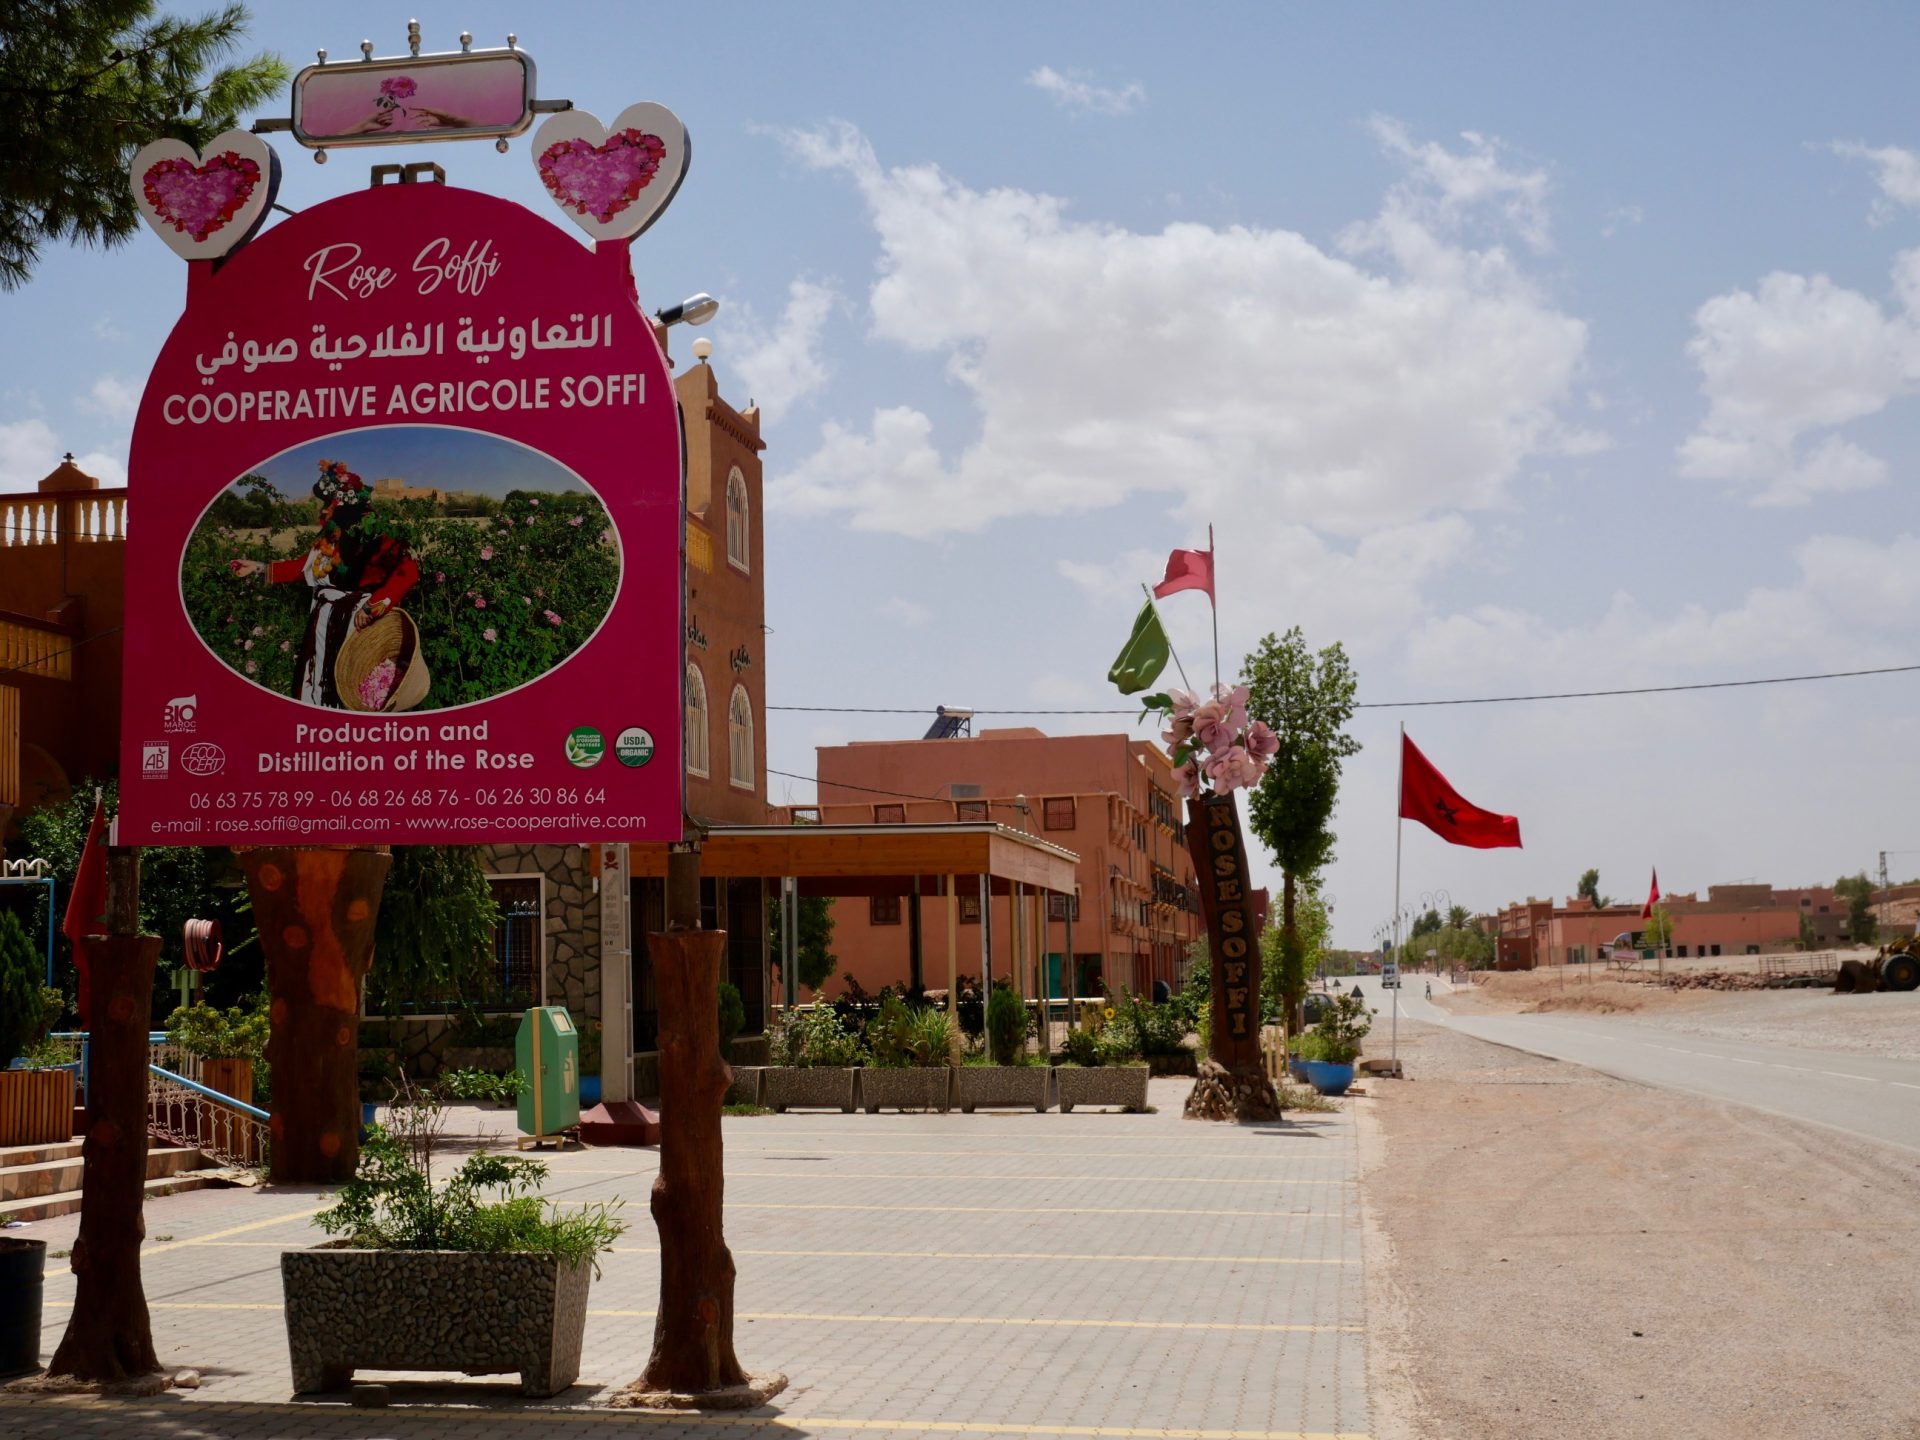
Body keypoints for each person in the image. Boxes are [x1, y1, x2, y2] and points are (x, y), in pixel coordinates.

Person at [228, 459, 420, 708]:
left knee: (353, 681)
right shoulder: (332, 535)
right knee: (319, 677)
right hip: (324, 620)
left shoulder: (376, 533)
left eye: (332, 503)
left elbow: (408, 570)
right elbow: (304, 568)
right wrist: (258, 568)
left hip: (358, 622)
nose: (326, 509)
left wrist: (373, 607)